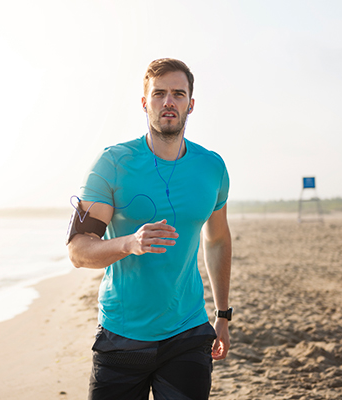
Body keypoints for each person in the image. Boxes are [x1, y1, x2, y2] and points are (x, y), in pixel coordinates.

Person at [67, 58, 232, 400]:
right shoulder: (112, 164)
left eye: (178, 94)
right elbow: (78, 250)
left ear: (191, 104)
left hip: (187, 332)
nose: (168, 101)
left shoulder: (212, 167)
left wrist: (223, 315)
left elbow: (216, 239)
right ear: (145, 103)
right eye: (159, 94)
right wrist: (129, 243)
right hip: (123, 335)